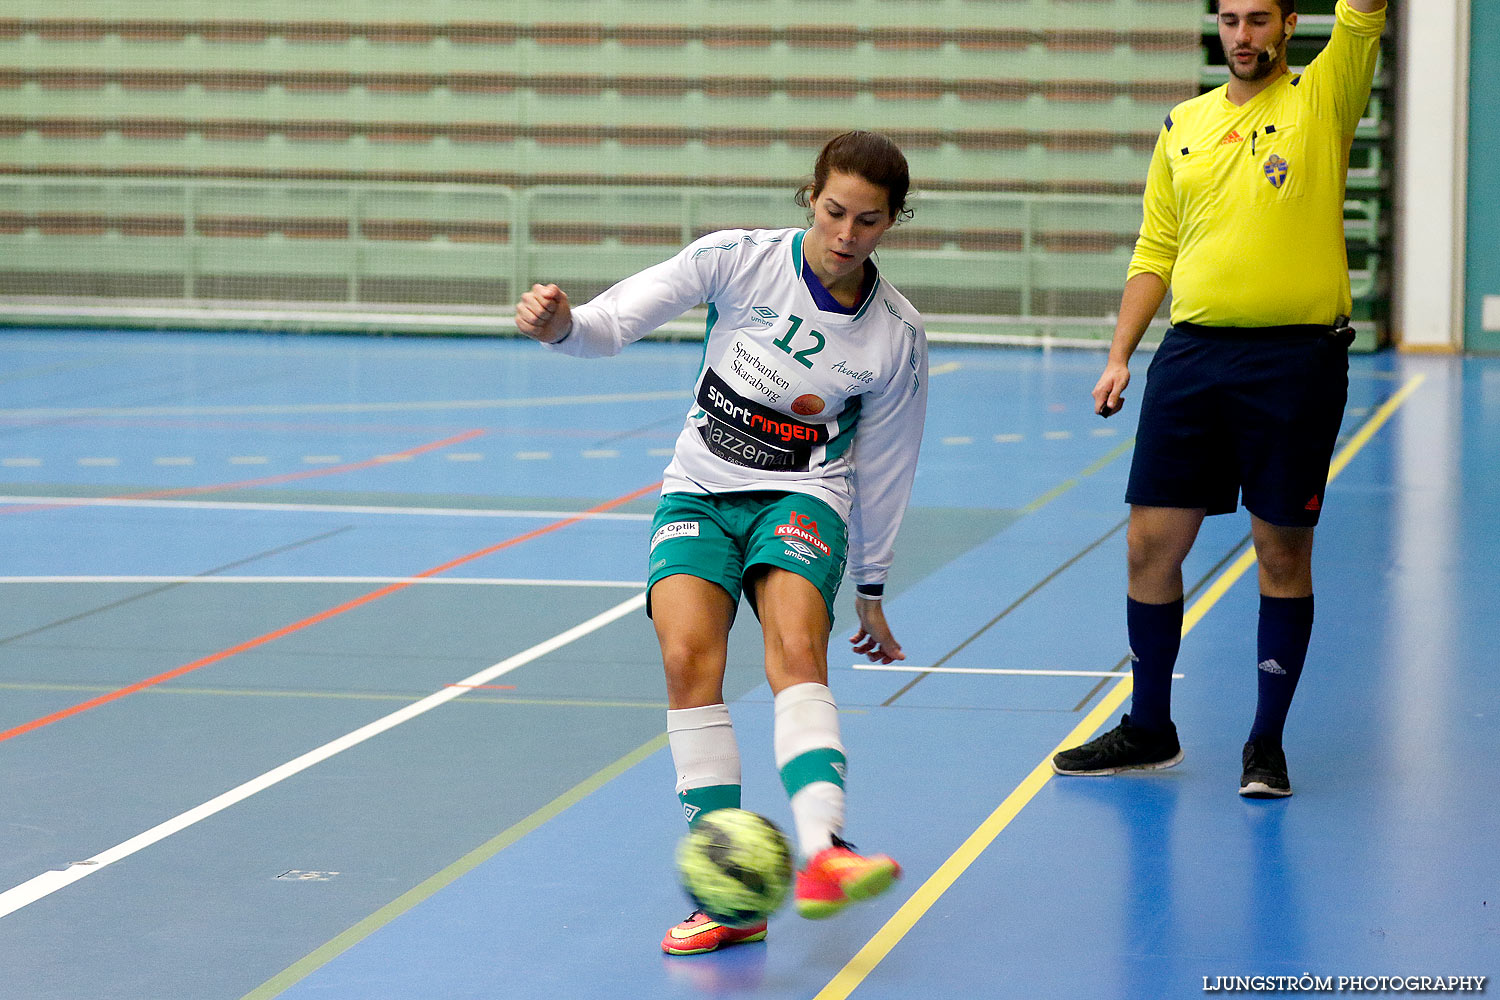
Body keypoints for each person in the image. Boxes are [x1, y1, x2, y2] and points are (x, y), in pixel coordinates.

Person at [514, 131, 928, 954]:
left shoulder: (895, 335)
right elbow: (609, 323)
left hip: (803, 494)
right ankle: (731, 892)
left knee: (794, 650)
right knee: (686, 662)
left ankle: (823, 850)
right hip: (701, 487)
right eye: (835, 210)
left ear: (892, 224)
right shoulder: (736, 259)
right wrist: (562, 326)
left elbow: (886, 470)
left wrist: (872, 587)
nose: (847, 234)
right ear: (810, 197)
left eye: (869, 221)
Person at [1051, 0, 1387, 798]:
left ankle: (1265, 745)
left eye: (1259, 19)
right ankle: (1149, 727)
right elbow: (1156, 247)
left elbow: (1366, 12)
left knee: (1281, 551)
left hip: (1295, 362)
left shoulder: (1324, 97)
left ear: (1290, 22)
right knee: (1149, 545)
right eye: (1231, 20)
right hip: (1193, 356)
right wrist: (1119, 355)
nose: (1244, 35)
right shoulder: (1183, 125)